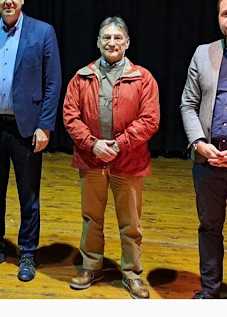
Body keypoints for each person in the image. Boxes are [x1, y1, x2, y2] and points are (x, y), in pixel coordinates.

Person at [0, 0, 61, 282]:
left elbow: (52, 83)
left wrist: (45, 125)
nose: (8, 1)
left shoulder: (43, 31)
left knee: (28, 196)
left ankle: (27, 254)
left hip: (27, 128)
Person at [62, 16, 159, 299]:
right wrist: (92, 144)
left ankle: (131, 273)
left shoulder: (143, 78)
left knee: (131, 222)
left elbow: (150, 120)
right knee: (91, 218)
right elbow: (70, 116)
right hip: (91, 160)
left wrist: (118, 145)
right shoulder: (82, 77)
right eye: (107, 37)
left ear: (127, 43)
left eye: (118, 38)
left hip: (129, 162)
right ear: (98, 42)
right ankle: (91, 266)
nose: (112, 42)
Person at [180, 0, 227, 299]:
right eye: (226, 13)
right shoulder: (202, 53)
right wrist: (197, 142)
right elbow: (188, 103)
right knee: (209, 229)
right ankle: (209, 293)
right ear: (219, 19)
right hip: (207, 163)